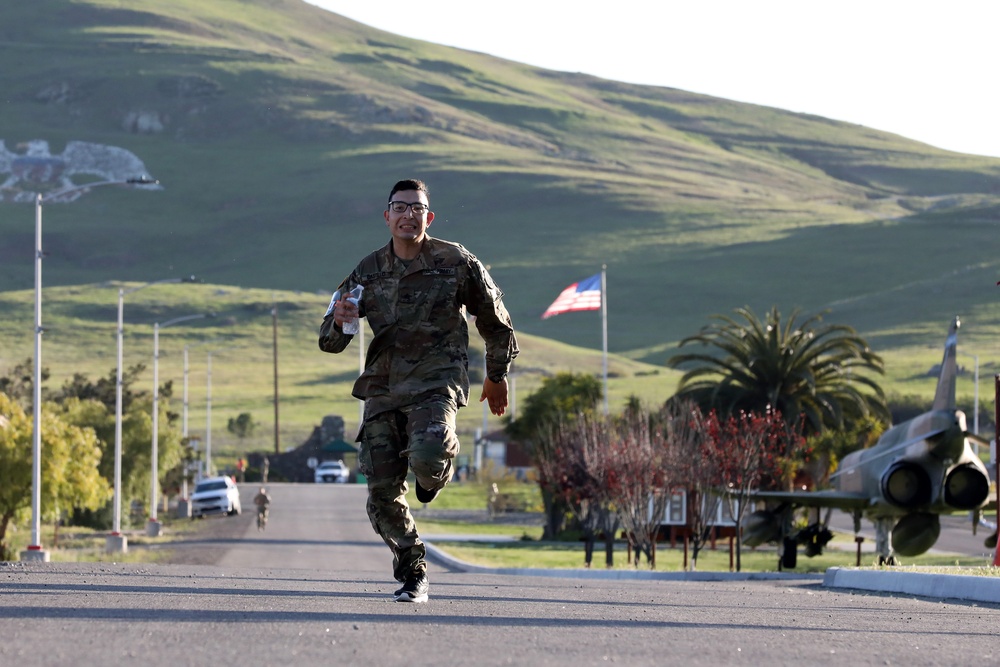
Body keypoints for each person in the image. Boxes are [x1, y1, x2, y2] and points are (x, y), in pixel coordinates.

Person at [319, 178, 518, 603]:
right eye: (400, 207)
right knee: (379, 491)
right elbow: (331, 340)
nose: (408, 215)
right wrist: (341, 319)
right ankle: (413, 570)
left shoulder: (455, 261)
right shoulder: (366, 271)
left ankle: (433, 475)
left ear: (428, 217)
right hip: (383, 387)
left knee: (429, 452)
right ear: (387, 216)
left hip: (436, 381)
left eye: (417, 208)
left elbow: (495, 319)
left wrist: (496, 376)